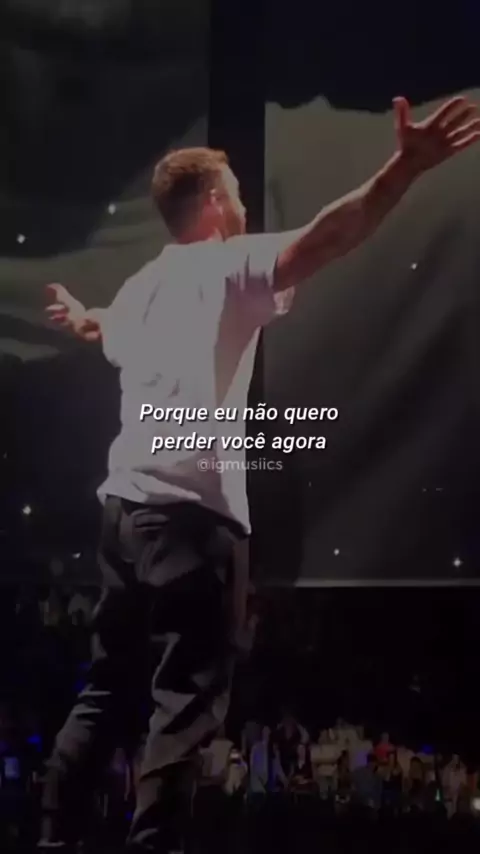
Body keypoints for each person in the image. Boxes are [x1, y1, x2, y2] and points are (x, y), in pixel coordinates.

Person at [40, 96, 480, 852]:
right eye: (238, 193)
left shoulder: (142, 287)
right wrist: (403, 169)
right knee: (185, 705)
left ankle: (53, 837)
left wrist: (83, 316)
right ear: (214, 202)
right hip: (191, 520)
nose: (245, 206)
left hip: (122, 516)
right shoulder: (226, 264)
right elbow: (330, 235)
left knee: (107, 689)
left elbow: (101, 326)